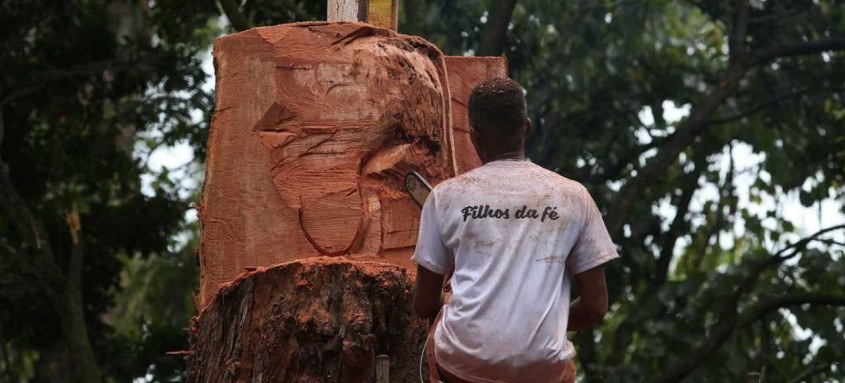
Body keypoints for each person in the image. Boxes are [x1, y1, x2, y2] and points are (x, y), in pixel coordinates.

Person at [411, 77, 619, 383]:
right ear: (527, 127)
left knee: (434, 338)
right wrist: (546, 324)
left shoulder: (446, 196)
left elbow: (423, 304)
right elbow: (596, 306)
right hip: (542, 371)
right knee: (564, 365)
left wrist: (448, 302)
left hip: (464, 368)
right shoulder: (573, 196)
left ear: (474, 136)